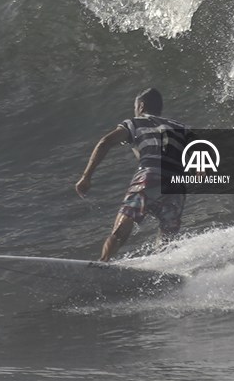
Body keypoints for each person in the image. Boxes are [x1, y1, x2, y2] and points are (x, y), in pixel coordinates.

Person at [74, 88, 191, 261]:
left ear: (141, 106)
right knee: (167, 235)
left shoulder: (136, 122)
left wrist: (86, 176)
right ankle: (161, 269)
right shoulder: (180, 127)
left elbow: (105, 142)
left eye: (135, 107)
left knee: (125, 222)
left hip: (150, 175)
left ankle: (103, 263)